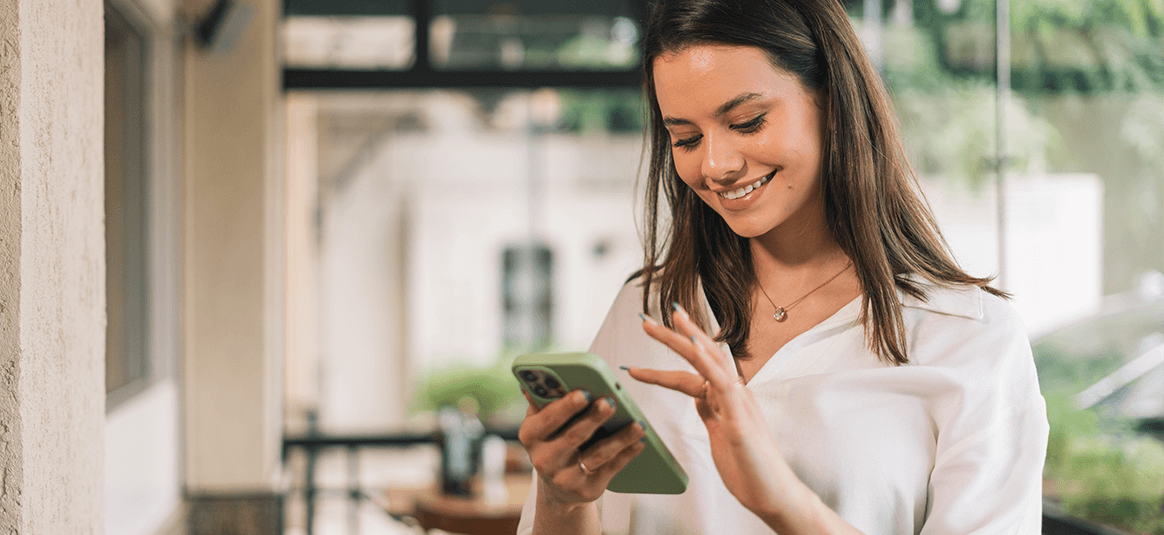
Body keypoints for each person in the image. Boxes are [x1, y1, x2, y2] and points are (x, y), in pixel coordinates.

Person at [515, 0, 1049, 533]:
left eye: (746, 122)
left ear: (832, 101)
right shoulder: (645, 312)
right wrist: (563, 501)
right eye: (687, 139)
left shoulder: (970, 342)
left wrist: (784, 502)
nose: (716, 165)